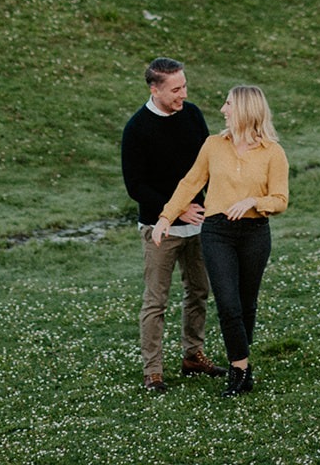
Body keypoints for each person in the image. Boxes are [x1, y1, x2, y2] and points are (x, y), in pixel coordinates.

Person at [152, 84, 288, 398]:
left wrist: (255, 201)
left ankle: (241, 353)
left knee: (244, 303)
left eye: (228, 104)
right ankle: (240, 370)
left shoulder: (273, 153)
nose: (223, 110)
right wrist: (165, 218)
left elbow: (281, 199)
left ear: (244, 110)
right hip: (217, 233)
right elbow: (190, 183)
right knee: (227, 304)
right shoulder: (214, 145)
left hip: (255, 233)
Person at [121, 57, 228, 394]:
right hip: (160, 228)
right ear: (155, 89)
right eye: (176, 89)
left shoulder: (192, 115)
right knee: (156, 301)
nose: (183, 94)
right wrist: (176, 210)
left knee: (199, 290)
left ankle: (193, 355)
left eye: (185, 86)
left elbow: (207, 165)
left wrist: (214, 206)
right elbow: (135, 186)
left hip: (199, 225)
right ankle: (153, 371)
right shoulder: (136, 129)